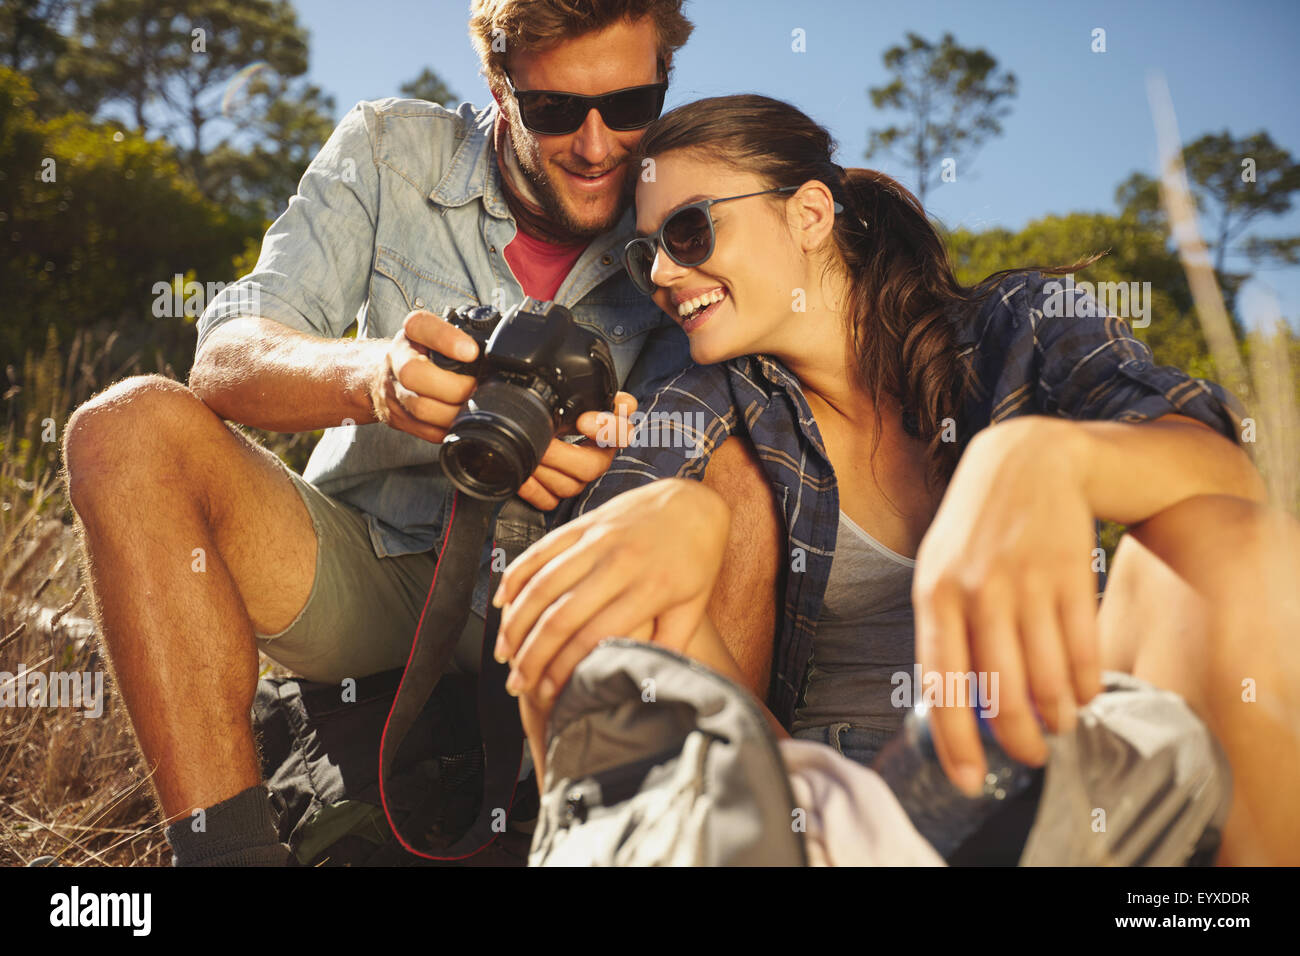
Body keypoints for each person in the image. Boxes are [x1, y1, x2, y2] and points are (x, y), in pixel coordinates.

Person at [492, 94, 1300, 864]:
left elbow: (1225, 470)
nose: (665, 272)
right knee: (632, 564)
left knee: (1223, 542)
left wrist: (1042, 457)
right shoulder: (717, 398)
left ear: (809, 214)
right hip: (816, 800)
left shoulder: (1018, 326)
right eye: (648, 253)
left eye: (691, 231)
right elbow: (598, 621)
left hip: (1044, 753)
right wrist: (677, 514)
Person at [60, 0, 700, 867]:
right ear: (498, 84)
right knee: (122, 431)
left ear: (664, 78)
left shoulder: (686, 197)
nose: (595, 144)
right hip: (368, 567)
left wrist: (621, 462)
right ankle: (225, 856)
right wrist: (371, 378)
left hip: (558, 594)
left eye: (629, 106)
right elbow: (227, 354)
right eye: (554, 110)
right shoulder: (392, 148)